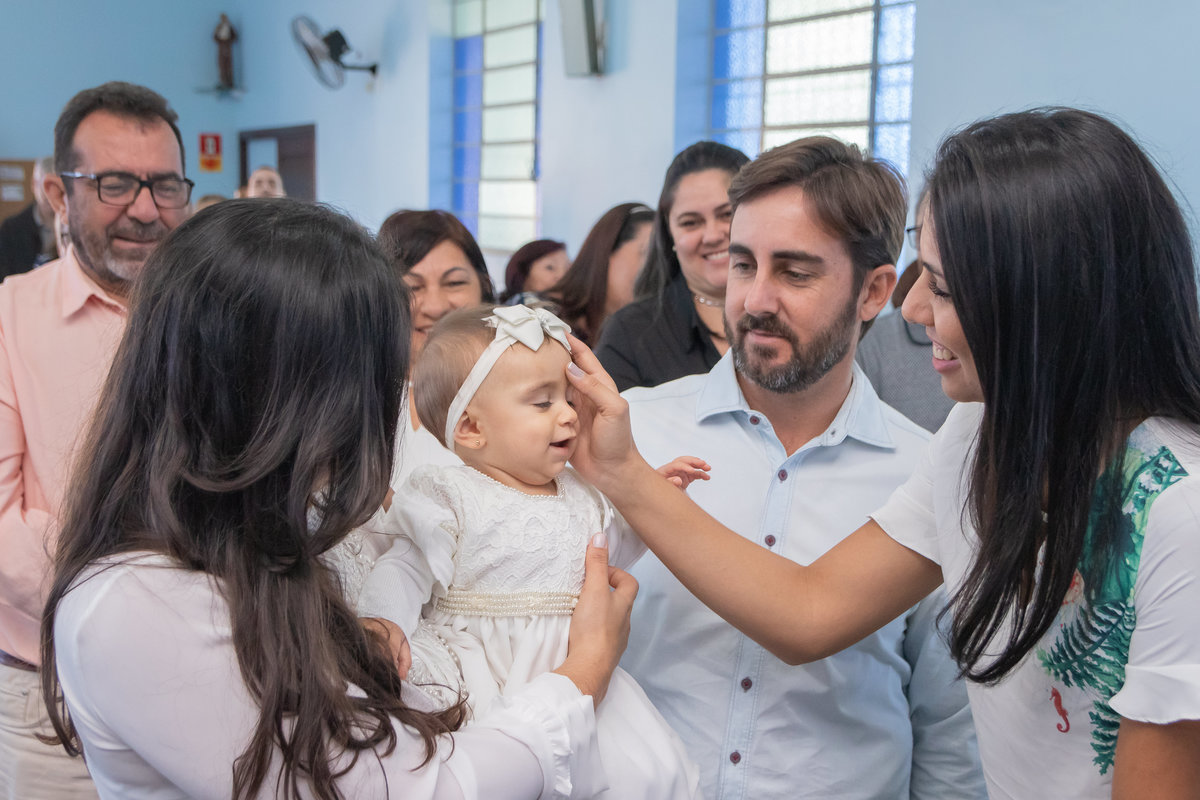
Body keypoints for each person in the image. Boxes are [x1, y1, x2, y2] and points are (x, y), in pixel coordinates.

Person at [564, 108, 1200, 798]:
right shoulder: (974, 439)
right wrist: (625, 474)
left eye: (946, 287)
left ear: (1048, 303)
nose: (916, 311)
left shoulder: (1177, 510)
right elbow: (810, 612)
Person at [41, 198, 638, 800]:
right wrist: (582, 673)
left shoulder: (307, 516)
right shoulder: (142, 601)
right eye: (373, 376)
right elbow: (406, 790)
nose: (381, 405)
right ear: (295, 392)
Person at [621, 136, 983, 799]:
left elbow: (949, 726)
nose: (756, 300)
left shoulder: (927, 472)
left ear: (874, 290)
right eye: (742, 265)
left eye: (794, 272)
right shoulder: (634, 431)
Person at [357, 303, 707, 799]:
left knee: (629, 775)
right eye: (542, 404)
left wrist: (651, 506)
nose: (568, 413)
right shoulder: (449, 495)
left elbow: (606, 555)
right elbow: (405, 565)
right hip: (483, 670)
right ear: (472, 429)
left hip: (579, 661)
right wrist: (382, 621)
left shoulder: (581, 491)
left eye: (567, 398)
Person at [0, 81, 192, 798]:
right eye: (115, 184)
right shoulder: (10, 320)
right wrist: (166, 597)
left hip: (219, 677)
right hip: (54, 705)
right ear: (58, 191)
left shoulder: (223, 315)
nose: (145, 209)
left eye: (165, 185)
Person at [594, 141, 749, 391]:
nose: (711, 235)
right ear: (670, 234)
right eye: (690, 222)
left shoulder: (796, 312)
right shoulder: (630, 334)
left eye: (727, 214)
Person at [545, 202, 654, 343]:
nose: (659, 270)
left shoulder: (641, 334)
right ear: (608, 250)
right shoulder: (540, 317)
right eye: (650, 255)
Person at [0, 156, 58, 278]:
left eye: (56, 188)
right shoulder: (11, 229)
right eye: (45, 187)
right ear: (34, 185)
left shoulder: (73, 226)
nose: (51, 195)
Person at [500, 239, 569, 304]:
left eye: (568, 269)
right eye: (550, 267)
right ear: (524, 273)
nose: (562, 276)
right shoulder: (525, 303)